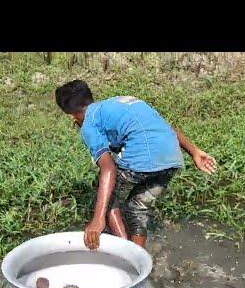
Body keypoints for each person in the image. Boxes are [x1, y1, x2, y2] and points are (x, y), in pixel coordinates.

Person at [55, 80, 216, 250]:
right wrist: (195, 152)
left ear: (71, 115)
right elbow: (166, 128)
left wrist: (98, 219)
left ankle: (125, 253)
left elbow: (108, 168)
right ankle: (139, 257)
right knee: (137, 208)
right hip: (171, 158)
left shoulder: (89, 123)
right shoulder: (120, 102)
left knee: (109, 199)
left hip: (144, 157)